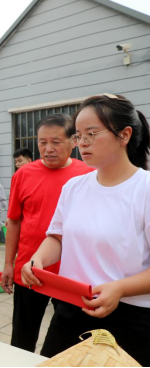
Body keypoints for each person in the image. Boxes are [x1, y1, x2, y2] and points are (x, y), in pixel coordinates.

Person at [22, 95, 150, 366]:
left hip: (130, 316)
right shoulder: (74, 187)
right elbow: (57, 237)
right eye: (79, 136)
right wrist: (38, 259)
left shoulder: (145, 190)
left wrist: (119, 289)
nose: (82, 143)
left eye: (92, 134)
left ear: (124, 134)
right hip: (70, 309)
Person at [3, 114, 95, 353]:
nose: (48, 149)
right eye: (42, 142)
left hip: (70, 273)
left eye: (56, 141)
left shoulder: (88, 174)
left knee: (67, 339)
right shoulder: (23, 174)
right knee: (22, 338)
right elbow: (13, 221)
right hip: (30, 269)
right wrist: (8, 264)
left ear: (73, 141)